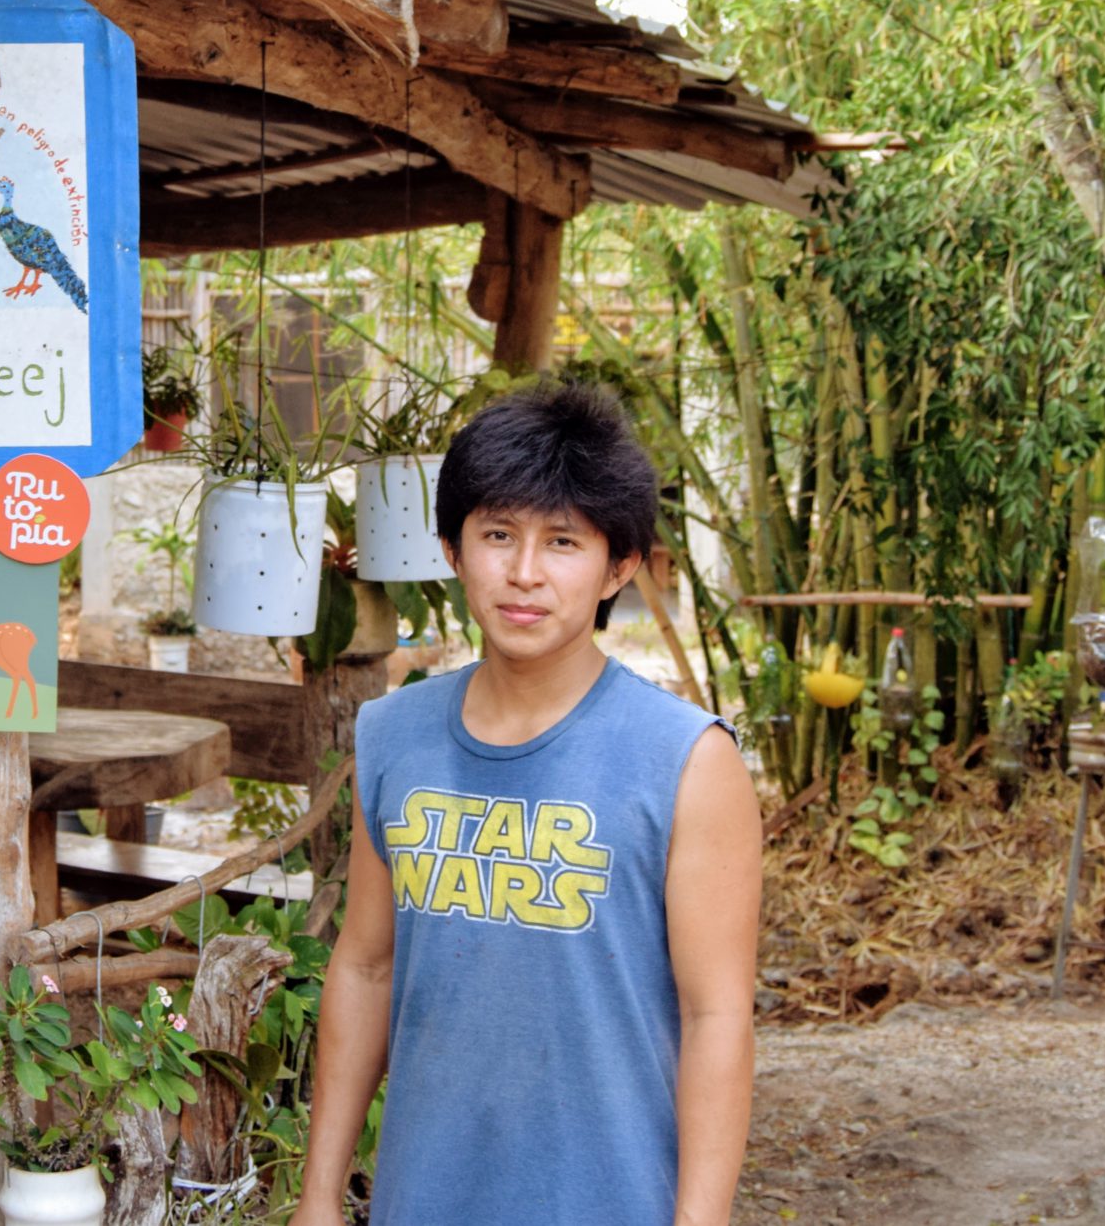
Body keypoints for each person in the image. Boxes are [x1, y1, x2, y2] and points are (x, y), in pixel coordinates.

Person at [289, 381, 760, 1226]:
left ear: (618, 564)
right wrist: (320, 1195)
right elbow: (365, 965)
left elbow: (716, 1013)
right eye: (498, 533)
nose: (525, 571)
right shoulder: (394, 735)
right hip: (422, 1196)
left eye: (564, 541)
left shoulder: (688, 758)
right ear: (453, 548)